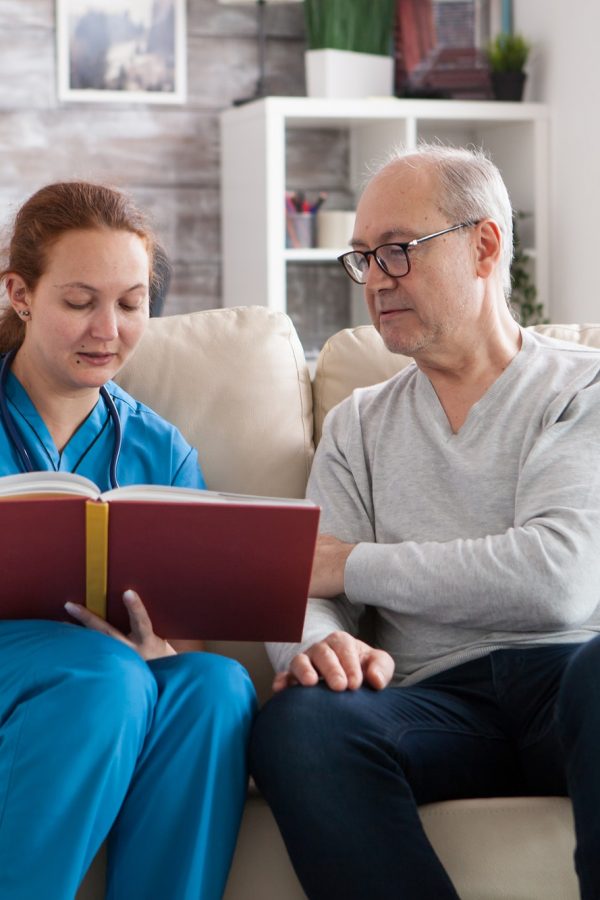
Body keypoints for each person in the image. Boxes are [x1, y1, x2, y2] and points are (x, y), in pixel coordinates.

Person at [249, 145, 600, 900]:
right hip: (432, 702)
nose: (375, 280)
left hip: (572, 677)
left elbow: (558, 580)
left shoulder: (584, 385)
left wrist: (354, 564)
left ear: (484, 246)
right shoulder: (357, 425)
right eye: (364, 258)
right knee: (300, 724)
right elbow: (302, 584)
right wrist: (317, 643)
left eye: (397, 252)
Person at [0, 181, 257, 900]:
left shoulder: (160, 450)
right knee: (103, 675)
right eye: (80, 302)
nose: (106, 330)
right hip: (42, 673)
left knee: (216, 688)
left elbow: (191, 637)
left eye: (130, 303)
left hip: (115, 678)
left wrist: (162, 652)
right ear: (20, 293)